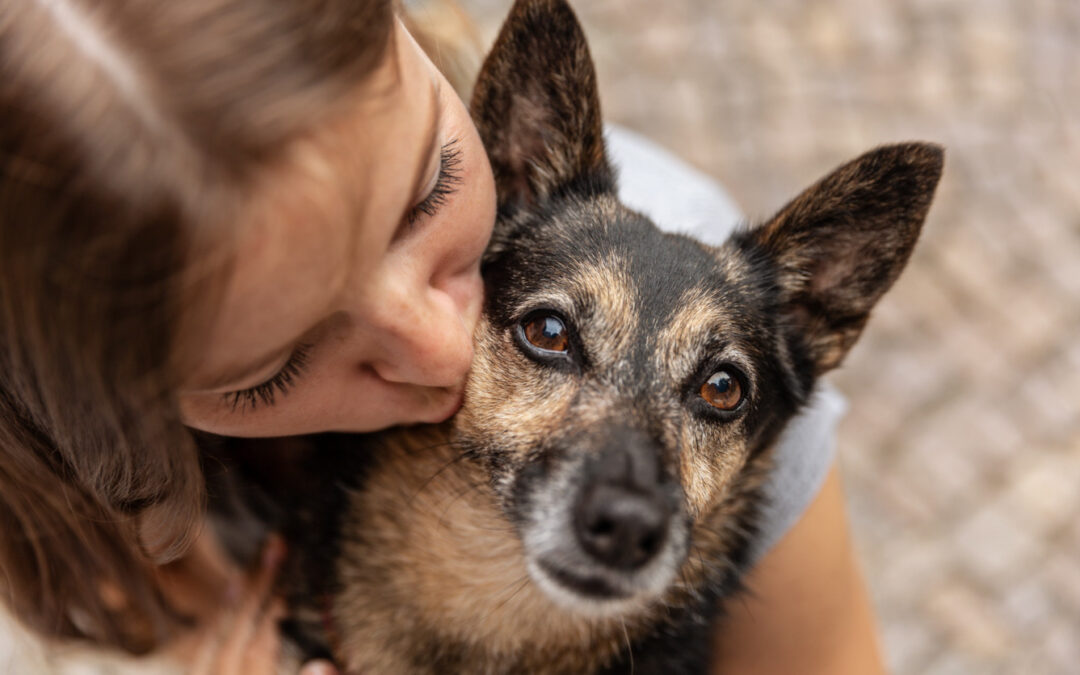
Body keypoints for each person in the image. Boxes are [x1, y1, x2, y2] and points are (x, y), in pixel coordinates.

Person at [0, 0, 884, 673]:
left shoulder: (675, 248)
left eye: (429, 192)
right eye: (279, 366)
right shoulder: (73, 501)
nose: (442, 345)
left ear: (503, 150)